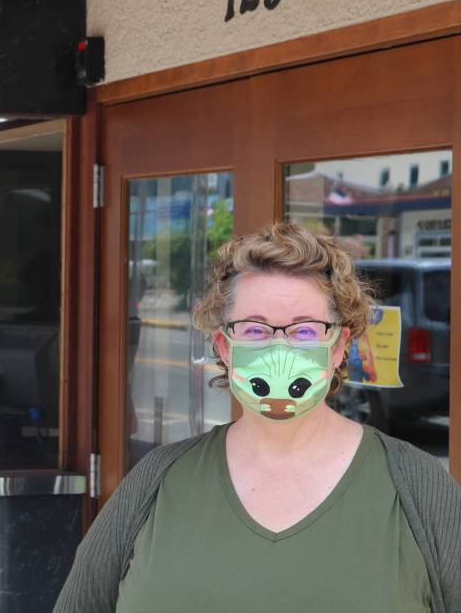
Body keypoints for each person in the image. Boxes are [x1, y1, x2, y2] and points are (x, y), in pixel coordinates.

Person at [54, 222, 460, 613]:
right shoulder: (156, 481)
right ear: (224, 346)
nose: (278, 347)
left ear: (339, 347)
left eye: (304, 331)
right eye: (254, 330)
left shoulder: (417, 488)